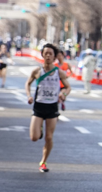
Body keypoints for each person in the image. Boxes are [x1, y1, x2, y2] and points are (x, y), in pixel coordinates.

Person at [25, 43, 71, 172]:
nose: (48, 56)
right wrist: (29, 96)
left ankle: (43, 162)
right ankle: (39, 128)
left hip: (52, 107)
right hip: (39, 106)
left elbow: (68, 87)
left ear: (55, 56)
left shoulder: (58, 72)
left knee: (49, 137)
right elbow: (27, 83)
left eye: (51, 54)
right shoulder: (37, 71)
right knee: (34, 137)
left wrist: (63, 94)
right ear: (42, 55)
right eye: (46, 53)